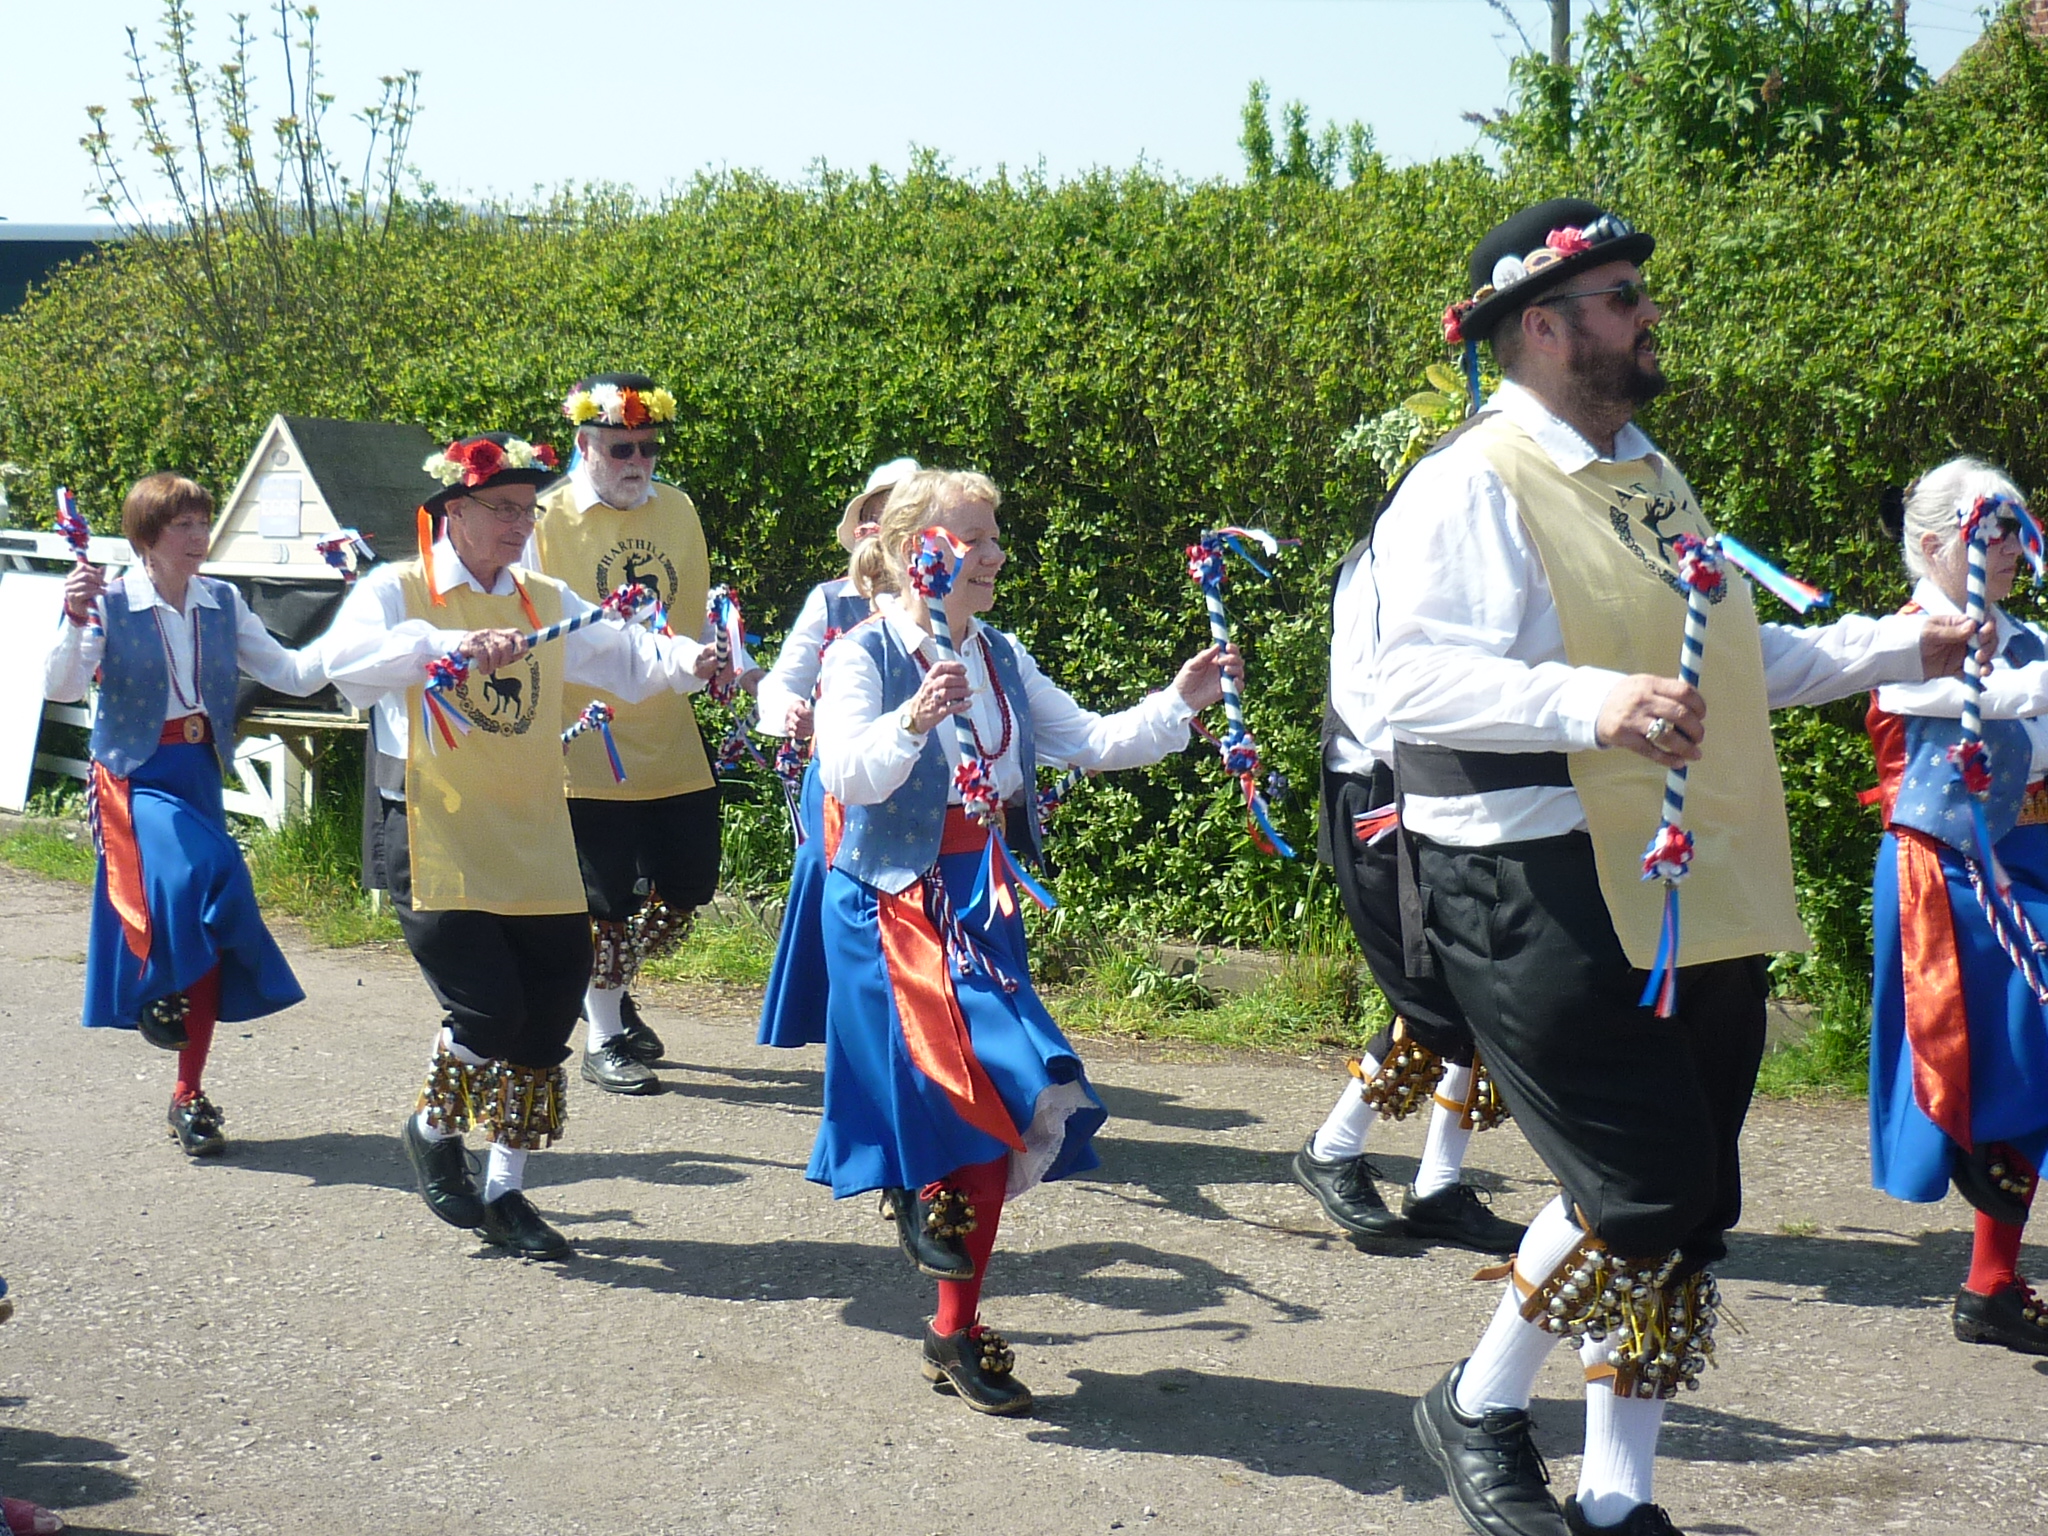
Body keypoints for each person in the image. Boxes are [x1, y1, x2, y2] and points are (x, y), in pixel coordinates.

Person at [1374, 200, 1981, 1536]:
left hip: (1685, 871)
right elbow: (1405, 678)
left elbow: (1734, 662)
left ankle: (1617, 1492)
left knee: (1689, 1201)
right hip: (1536, 877)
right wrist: (1591, 705)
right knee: (1637, 1188)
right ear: (1545, 325)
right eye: (1621, 293)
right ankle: (1475, 1409)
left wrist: (1897, 649)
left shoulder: (1646, 474)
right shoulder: (1471, 480)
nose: (1649, 310)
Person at [810, 466, 1240, 1416]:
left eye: (995, 536)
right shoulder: (865, 655)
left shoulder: (1001, 655)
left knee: (1006, 1110)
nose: (995, 554)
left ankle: (952, 1329)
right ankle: (914, 1191)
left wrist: (1182, 702)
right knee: (977, 1080)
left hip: (980, 896)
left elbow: (1088, 740)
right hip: (890, 900)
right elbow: (846, 772)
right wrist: (914, 718)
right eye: (973, 538)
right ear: (918, 549)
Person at [322, 432, 717, 1261]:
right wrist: (441, 646)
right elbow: (345, 670)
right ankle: (433, 1126)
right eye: (502, 509)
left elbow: (625, 652)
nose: (518, 523)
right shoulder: (399, 588)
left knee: (544, 1021)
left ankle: (506, 1193)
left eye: (526, 510)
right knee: (487, 1011)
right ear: (453, 513)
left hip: (535, 832)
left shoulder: (541, 596)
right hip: (438, 833)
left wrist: (691, 658)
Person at [45, 472, 326, 1158]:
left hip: (196, 772)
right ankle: (154, 992)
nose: (200, 537)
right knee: (210, 870)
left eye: (203, 523)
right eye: (184, 526)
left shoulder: (222, 601)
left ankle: (188, 1095)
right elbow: (61, 687)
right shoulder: (109, 602)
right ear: (148, 536)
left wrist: (379, 640)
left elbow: (292, 673)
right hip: (135, 777)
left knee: (205, 926)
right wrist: (76, 618)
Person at [1298, 532, 1525, 1257]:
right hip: (1388, 789)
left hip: (1448, 787)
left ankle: (1435, 1186)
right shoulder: (1389, 560)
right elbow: (1374, 701)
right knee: (1433, 995)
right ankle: (1332, 1150)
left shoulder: (1468, 557)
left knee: (1478, 988)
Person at [1866, 457, 2048, 1357]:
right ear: (1937, 545)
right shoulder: (1904, 641)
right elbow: (1972, 701)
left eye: (2017, 529)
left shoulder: (2032, 637)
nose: (2011, 547)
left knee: (2025, 1077)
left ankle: (1991, 1286)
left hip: (2032, 861)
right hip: (1950, 878)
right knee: (2016, 1058)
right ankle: (1990, 1273)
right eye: (1993, 532)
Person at [530, 374, 750, 1095]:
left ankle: (611, 991)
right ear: (585, 444)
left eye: (649, 448)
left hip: (669, 732)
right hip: (585, 741)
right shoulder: (546, 518)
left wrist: (718, 661)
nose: (638, 462)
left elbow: (691, 611)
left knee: (690, 885)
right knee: (606, 904)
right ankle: (602, 1036)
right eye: (622, 447)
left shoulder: (678, 509)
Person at [755, 455, 919, 1051]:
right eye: (878, 511)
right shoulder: (830, 600)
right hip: (840, 781)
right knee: (829, 879)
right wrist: (788, 713)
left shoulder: (943, 598)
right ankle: (841, 1028)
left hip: (919, 781)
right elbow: (781, 683)